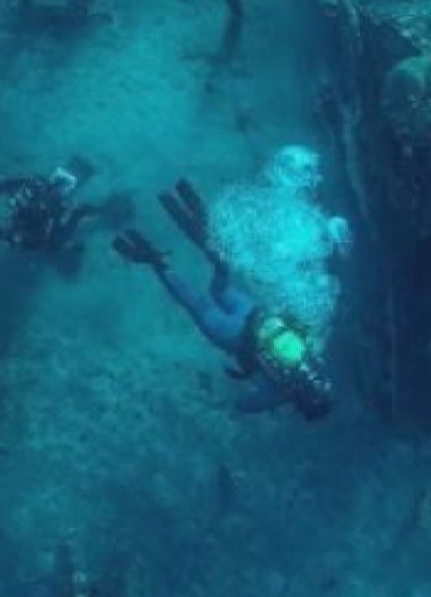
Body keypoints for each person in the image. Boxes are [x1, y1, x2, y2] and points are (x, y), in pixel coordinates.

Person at [113, 178, 336, 421]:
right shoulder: (281, 391)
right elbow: (241, 405)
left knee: (220, 286)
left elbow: (304, 325)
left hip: (253, 313)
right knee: (194, 301)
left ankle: (211, 241)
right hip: (233, 336)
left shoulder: (315, 359)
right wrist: (273, 400)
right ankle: (157, 261)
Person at [0, 157, 97, 253]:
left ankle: (83, 174)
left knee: (72, 204)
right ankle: (82, 171)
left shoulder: (34, 193)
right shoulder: (31, 192)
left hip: (52, 211)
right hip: (51, 211)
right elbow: (1, 186)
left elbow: (1, 187)